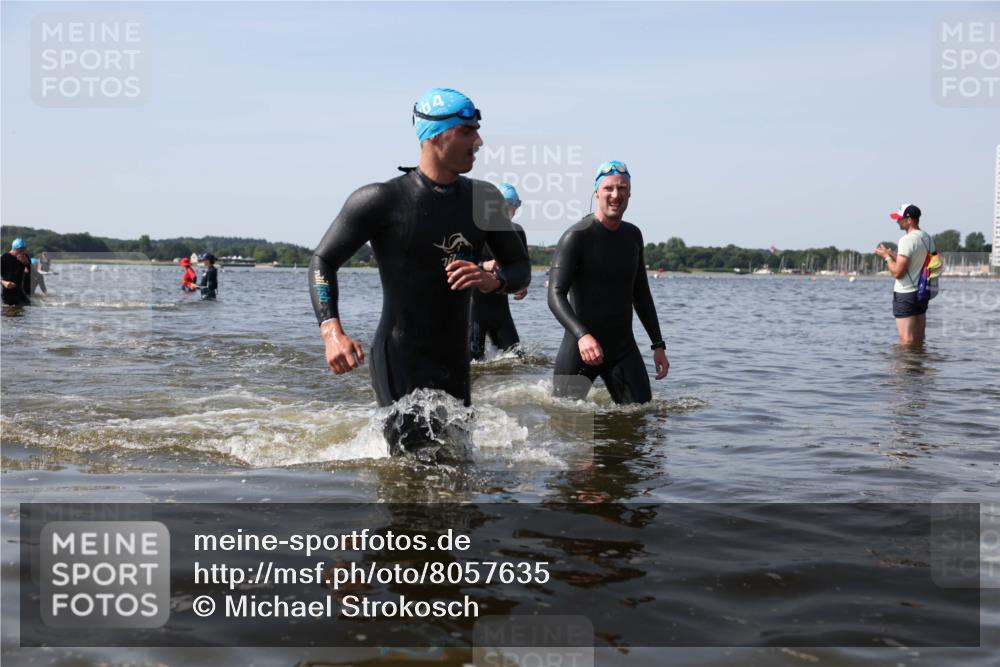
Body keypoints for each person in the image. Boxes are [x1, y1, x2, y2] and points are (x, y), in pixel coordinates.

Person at [308, 87, 530, 455]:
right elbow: (323, 261)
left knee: (457, 462)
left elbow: (521, 268)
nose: (478, 140)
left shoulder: (485, 200)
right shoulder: (381, 200)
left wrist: (494, 280)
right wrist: (332, 332)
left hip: (454, 360)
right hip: (399, 356)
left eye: (476, 130)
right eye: (467, 131)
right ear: (435, 135)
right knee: (414, 468)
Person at [547, 161, 669, 404]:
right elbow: (555, 294)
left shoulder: (633, 236)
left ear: (629, 194)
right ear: (596, 193)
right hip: (579, 349)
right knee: (565, 423)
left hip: (622, 348)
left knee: (641, 415)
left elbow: (641, 293)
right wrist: (583, 336)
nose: (616, 195)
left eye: (622, 189)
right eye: (609, 189)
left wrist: (658, 345)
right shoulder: (577, 236)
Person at [469, 182, 529, 360]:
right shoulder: (476, 231)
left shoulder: (518, 232)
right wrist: (483, 265)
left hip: (501, 310)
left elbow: (521, 269)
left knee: (517, 359)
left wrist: (520, 285)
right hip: (474, 307)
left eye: (514, 206)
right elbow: (455, 262)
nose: (510, 210)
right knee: (472, 362)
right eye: (506, 206)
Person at [874, 204, 935, 345]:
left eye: (900, 219)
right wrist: (892, 254)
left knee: (906, 339)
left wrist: (886, 257)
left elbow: (898, 273)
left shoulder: (906, 240)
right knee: (919, 339)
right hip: (922, 292)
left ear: (909, 220)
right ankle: (917, 366)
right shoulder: (928, 238)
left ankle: (905, 366)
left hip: (906, 294)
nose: (897, 222)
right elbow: (915, 262)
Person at [1, 238, 33, 306]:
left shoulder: (25, 257)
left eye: (24, 249)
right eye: (21, 250)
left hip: (20, 291)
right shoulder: (4, 258)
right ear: (15, 249)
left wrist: (27, 263)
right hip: (8, 293)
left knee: (30, 308)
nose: (23, 252)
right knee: (11, 313)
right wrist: (3, 282)